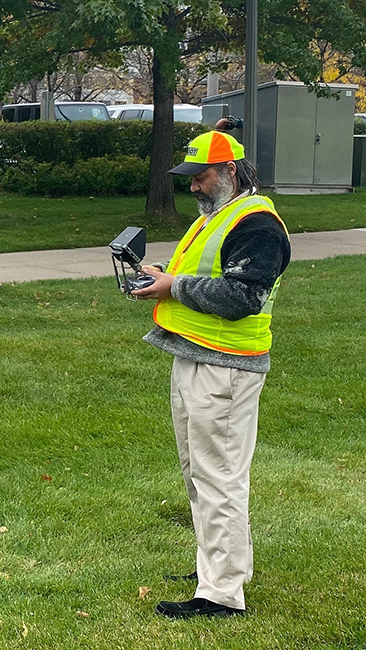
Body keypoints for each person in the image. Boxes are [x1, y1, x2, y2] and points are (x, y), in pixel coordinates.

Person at [131, 131, 291, 620]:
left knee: (218, 477)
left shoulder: (257, 224)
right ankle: (216, 570)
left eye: (201, 178)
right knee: (201, 474)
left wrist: (172, 285)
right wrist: (163, 279)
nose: (194, 188)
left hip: (225, 368)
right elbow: (204, 278)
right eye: (191, 179)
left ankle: (221, 594)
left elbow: (241, 298)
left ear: (230, 172)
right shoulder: (220, 216)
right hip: (198, 358)